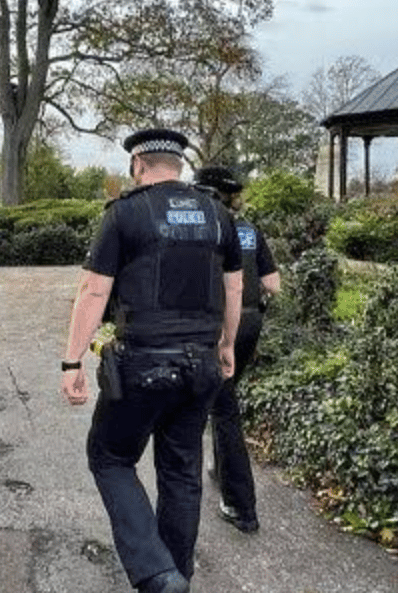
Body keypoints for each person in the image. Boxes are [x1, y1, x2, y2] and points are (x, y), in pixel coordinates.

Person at [62, 129, 243, 593]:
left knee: (109, 456)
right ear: (178, 165)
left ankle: (156, 573)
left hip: (142, 364)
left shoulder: (125, 213)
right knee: (181, 470)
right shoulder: (218, 214)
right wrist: (227, 345)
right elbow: (234, 287)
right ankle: (176, 573)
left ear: (138, 165)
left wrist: (72, 361)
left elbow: (94, 290)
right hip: (201, 364)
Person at [194, 166, 280, 534]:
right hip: (251, 323)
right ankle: (220, 468)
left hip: (218, 326)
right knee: (224, 400)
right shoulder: (249, 230)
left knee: (223, 410)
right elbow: (273, 285)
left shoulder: (205, 227)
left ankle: (240, 505)